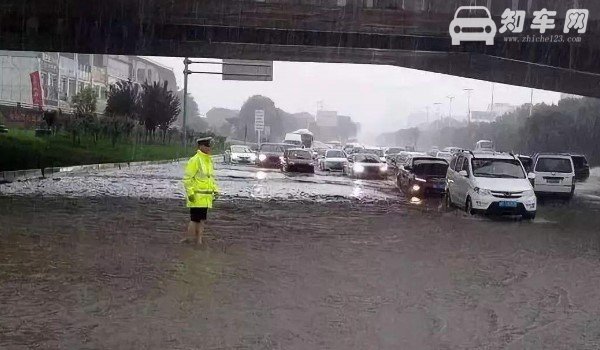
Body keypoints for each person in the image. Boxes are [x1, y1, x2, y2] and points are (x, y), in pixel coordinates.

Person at [182, 137, 219, 245]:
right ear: (200, 146)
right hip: (197, 196)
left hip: (206, 197)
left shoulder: (208, 160)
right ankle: (189, 239)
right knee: (195, 220)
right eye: (206, 146)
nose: (208, 148)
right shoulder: (195, 160)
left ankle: (199, 241)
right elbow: (188, 178)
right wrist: (190, 193)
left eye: (209, 146)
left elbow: (210, 178)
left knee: (202, 220)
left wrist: (215, 190)